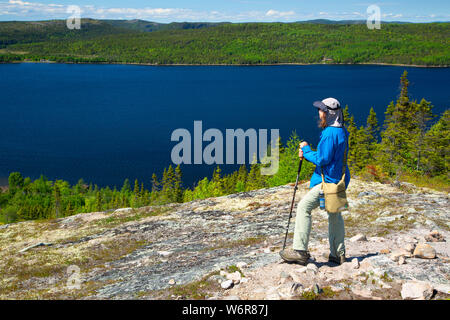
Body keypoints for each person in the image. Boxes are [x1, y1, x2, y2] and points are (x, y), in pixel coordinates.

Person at [280, 97, 350, 266]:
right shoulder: (341, 130)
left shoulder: (329, 134)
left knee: (304, 207)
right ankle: (338, 254)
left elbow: (322, 159)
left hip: (327, 181)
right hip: (339, 179)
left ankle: (300, 251)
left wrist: (305, 150)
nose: (319, 113)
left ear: (329, 114)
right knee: (334, 213)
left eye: (322, 111)